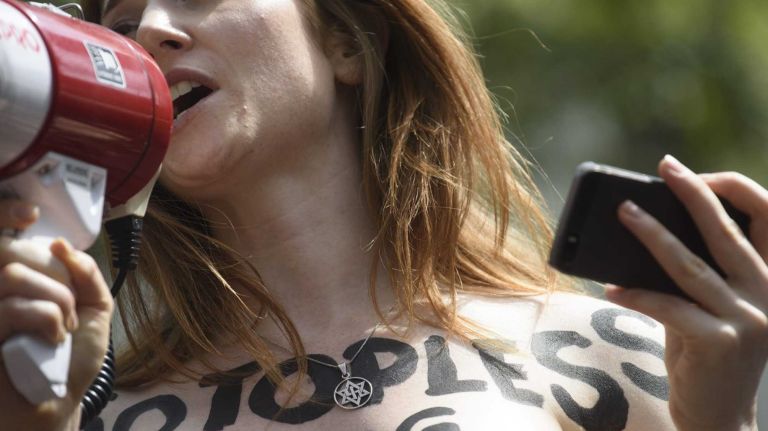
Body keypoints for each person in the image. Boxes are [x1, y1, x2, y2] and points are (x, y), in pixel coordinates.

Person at [1, 0, 766, 429]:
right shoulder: (81, 404)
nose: (152, 30)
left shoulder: (606, 354)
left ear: (345, 43)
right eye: (121, 21)